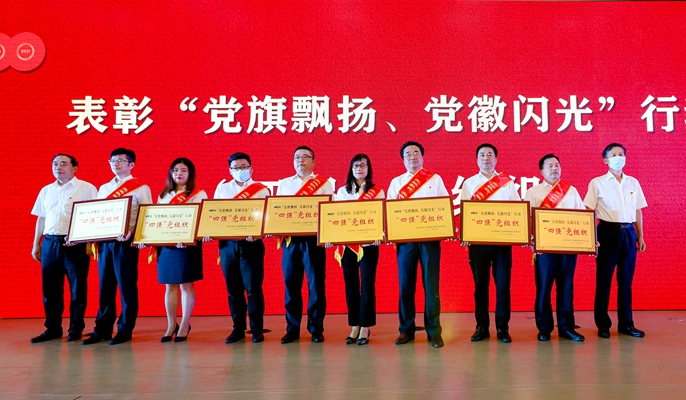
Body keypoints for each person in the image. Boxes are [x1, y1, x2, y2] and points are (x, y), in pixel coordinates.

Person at [83, 148, 152, 345]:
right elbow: (97, 214)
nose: (116, 164)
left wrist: (134, 233)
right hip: (106, 243)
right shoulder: (104, 188)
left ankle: (125, 329)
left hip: (126, 243)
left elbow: (147, 214)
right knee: (105, 286)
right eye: (113, 161)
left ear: (131, 164)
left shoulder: (141, 188)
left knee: (126, 286)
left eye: (120, 160)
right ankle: (102, 329)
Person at [30, 154, 98, 343]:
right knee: (50, 289)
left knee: (77, 289)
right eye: (55, 164)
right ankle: (52, 328)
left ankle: (75, 328)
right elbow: (41, 218)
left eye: (63, 164)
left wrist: (88, 242)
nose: (58, 167)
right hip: (50, 243)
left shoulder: (86, 188)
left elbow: (95, 216)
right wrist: (36, 244)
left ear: (74, 168)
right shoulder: (46, 190)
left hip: (75, 245)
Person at [387, 141, 449, 349]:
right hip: (406, 242)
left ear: (422, 157)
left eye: (416, 153)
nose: (412, 156)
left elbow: (444, 206)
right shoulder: (396, 182)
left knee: (431, 286)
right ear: (403, 159)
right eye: (408, 154)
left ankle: (434, 331)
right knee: (406, 285)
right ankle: (406, 330)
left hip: (430, 241)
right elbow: (390, 211)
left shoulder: (435, 179)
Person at [584, 143, 647, 338]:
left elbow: (637, 210)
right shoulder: (597, 183)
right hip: (607, 232)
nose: (618, 157)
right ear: (606, 160)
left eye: (621, 154)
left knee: (626, 282)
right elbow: (588, 211)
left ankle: (626, 324)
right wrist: (591, 238)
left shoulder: (633, 182)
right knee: (604, 281)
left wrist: (640, 235)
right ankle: (603, 325)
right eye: (613, 155)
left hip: (628, 232)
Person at [461, 143, 520, 343]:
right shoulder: (469, 183)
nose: (486, 158)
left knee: (502, 286)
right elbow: (465, 212)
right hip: (478, 243)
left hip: (502, 243)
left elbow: (516, 210)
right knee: (480, 286)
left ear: (496, 159)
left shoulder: (507, 183)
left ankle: (502, 328)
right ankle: (482, 327)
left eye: (489, 155)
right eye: (482, 155)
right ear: (476, 159)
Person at [524, 154, 585, 342]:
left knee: (566, 288)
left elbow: (582, 217)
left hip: (568, 248)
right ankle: (544, 328)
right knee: (544, 289)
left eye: (557, 165)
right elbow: (528, 219)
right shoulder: (533, 192)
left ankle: (566, 328)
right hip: (544, 249)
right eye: (549, 166)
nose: (554, 168)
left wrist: (590, 239)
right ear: (541, 171)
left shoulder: (571, 191)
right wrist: (532, 241)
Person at [276, 146, 333, 344]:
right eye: (297, 157)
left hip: (314, 240)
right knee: (291, 285)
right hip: (290, 240)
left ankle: (316, 328)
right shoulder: (284, 184)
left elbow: (329, 212)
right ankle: (292, 329)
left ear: (314, 161)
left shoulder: (324, 184)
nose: (301, 160)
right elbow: (278, 212)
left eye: (305, 157)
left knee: (316, 285)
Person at [325, 154, 384, 346]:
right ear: (351, 169)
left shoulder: (377, 191)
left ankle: (365, 326)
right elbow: (335, 217)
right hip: (348, 246)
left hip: (369, 245)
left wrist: (380, 233)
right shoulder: (342, 192)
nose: (359, 168)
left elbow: (382, 217)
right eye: (356, 165)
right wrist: (329, 236)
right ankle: (354, 325)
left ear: (369, 168)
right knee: (351, 286)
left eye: (363, 165)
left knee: (367, 286)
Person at [213, 152, 270, 344]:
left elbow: (265, 217)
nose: (240, 171)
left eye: (244, 167)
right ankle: (237, 329)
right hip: (228, 245)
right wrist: (208, 231)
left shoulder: (261, 190)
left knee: (253, 288)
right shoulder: (222, 189)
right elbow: (213, 216)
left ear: (251, 168)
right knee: (233, 289)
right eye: (236, 168)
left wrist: (259, 231)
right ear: (230, 170)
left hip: (251, 244)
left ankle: (256, 330)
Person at [155, 158, 206, 343]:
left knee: (186, 285)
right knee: (170, 286)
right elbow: (156, 221)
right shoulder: (163, 195)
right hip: (167, 246)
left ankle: (184, 324)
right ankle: (171, 325)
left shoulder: (198, 194)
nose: (179, 173)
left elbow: (201, 219)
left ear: (190, 174)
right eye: (175, 170)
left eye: (184, 170)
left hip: (187, 245)